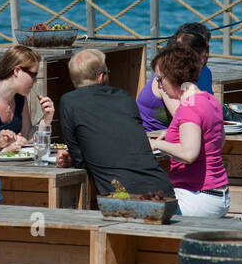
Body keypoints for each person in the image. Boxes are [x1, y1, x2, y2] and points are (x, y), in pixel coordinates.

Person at [55, 48, 173, 200]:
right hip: (163, 189)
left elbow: (79, 159)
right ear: (100, 77)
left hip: (125, 196)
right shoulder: (125, 97)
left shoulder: (68, 102)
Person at [154, 44, 229, 217]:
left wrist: (157, 143)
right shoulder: (209, 100)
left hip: (197, 197)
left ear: (174, 76)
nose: (159, 86)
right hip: (217, 195)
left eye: (160, 79)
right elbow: (219, 140)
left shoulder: (189, 107)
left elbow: (189, 154)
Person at [136, 26, 212, 131]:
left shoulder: (205, 72)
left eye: (206, 47)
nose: (206, 54)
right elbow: (186, 119)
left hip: (181, 133)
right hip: (153, 136)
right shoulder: (166, 78)